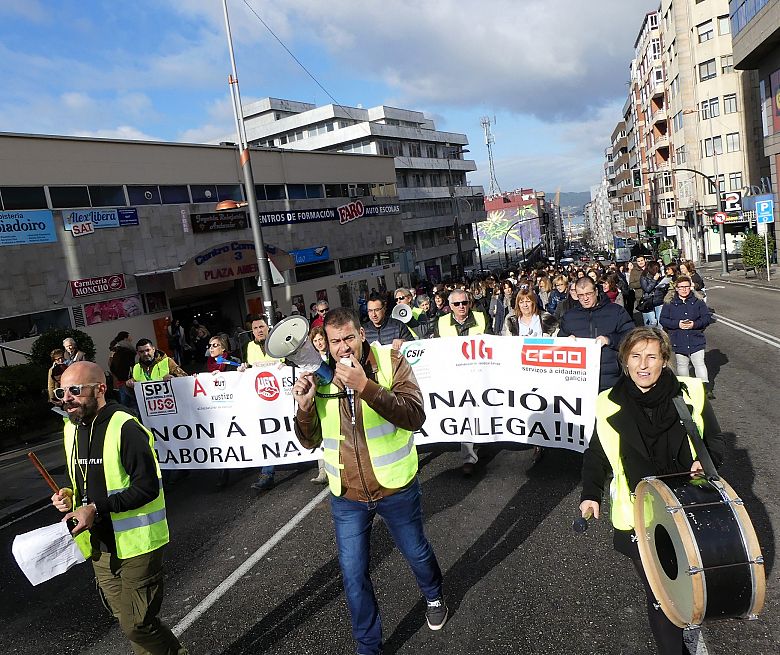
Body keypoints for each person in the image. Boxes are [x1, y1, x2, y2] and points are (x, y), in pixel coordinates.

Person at [293, 308, 447, 655]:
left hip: (394, 486)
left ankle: (434, 595)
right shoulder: (320, 377)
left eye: (349, 337)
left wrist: (366, 387)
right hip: (347, 494)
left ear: (361, 333)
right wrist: (303, 408)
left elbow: (414, 415)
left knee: (416, 552)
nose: (343, 347)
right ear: (327, 344)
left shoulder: (390, 362)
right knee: (352, 574)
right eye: (335, 342)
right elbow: (309, 440)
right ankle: (368, 646)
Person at [579, 327, 725, 655]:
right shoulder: (607, 403)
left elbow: (715, 441)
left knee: (688, 586)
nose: (643, 365)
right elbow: (597, 453)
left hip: (690, 508)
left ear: (664, 360)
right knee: (662, 594)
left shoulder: (690, 393)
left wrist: (707, 462)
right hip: (639, 517)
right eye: (635, 357)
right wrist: (590, 492)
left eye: (652, 357)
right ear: (625, 362)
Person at [49, 361, 187, 655]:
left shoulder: (125, 426)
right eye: (61, 392)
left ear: (100, 389)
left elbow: (147, 487)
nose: (67, 399)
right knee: (125, 619)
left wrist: (96, 509)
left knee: (136, 624)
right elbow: (81, 480)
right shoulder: (71, 428)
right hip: (99, 544)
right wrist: (67, 494)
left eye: (75, 390)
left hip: (137, 543)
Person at [433, 288, 491, 476]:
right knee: (465, 414)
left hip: (479, 375)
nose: (461, 307)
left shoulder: (481, 318)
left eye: (464, 303)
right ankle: (469, 457)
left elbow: (492, 342)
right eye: (456, 304)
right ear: (449, 306)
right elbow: (432, 347)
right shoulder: (441, 322)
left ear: (470, 303)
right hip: (455, 378)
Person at [558, 277, 635, 392]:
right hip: (580, 379)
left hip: (611, 377)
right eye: (581, 295)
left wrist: (609, 340)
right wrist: (566, 341)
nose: (585, 298)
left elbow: (631, 336)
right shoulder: (569, 317)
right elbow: (559, 344)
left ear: (596, 292)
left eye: (589, 294)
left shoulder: (616, 311)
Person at [241, 315, 280, 492]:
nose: (259, 330)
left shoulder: (278, 343)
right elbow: (250, 369)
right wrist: (243, 369)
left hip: (283, 397)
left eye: (262, 326)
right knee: (267, 434)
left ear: (268, 327)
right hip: (262, 399)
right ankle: (267, 474)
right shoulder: (249, 346)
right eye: (255, 328)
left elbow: (289, 362)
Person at [659, 275, 715, 398]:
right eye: (681, 287)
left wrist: (694, 324)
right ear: (676, 288)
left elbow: (706, 318)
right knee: (682, 364)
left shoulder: (698, 302)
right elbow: (663, 320)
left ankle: (705, 388)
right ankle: (685, 387)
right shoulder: (669, 303)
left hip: (696, 337)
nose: (684, 289)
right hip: (678, 337)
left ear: (690, 287)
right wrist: (677, 324)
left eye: (687, 287)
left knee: (699, 362)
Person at [308, 326, 329, 484]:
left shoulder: (333, 355)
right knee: (320, 437)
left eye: (320, 339)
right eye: (315, 341)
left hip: (332, 400)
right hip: (319, 401)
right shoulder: (310, 360)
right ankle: (322, 471)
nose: (318, 343)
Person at [108, 332, 137, 409]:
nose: (131, 338)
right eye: (129, 336)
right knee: (132, 403)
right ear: (125, 338)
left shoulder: (116, 348)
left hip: (120, 379)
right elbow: (111, 362)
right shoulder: (125, 349)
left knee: (125, 403)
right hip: (126, 379)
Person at [639, 261, 670, 327]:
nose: (657, 271)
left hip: (659, 299)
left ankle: (660, 336)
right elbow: (647, 289)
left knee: (660, 322)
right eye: (655, 269)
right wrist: (654, 280)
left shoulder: (659, 275)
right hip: (649, 300)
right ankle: (649, 334)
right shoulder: (644, 277)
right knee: (653, 321)